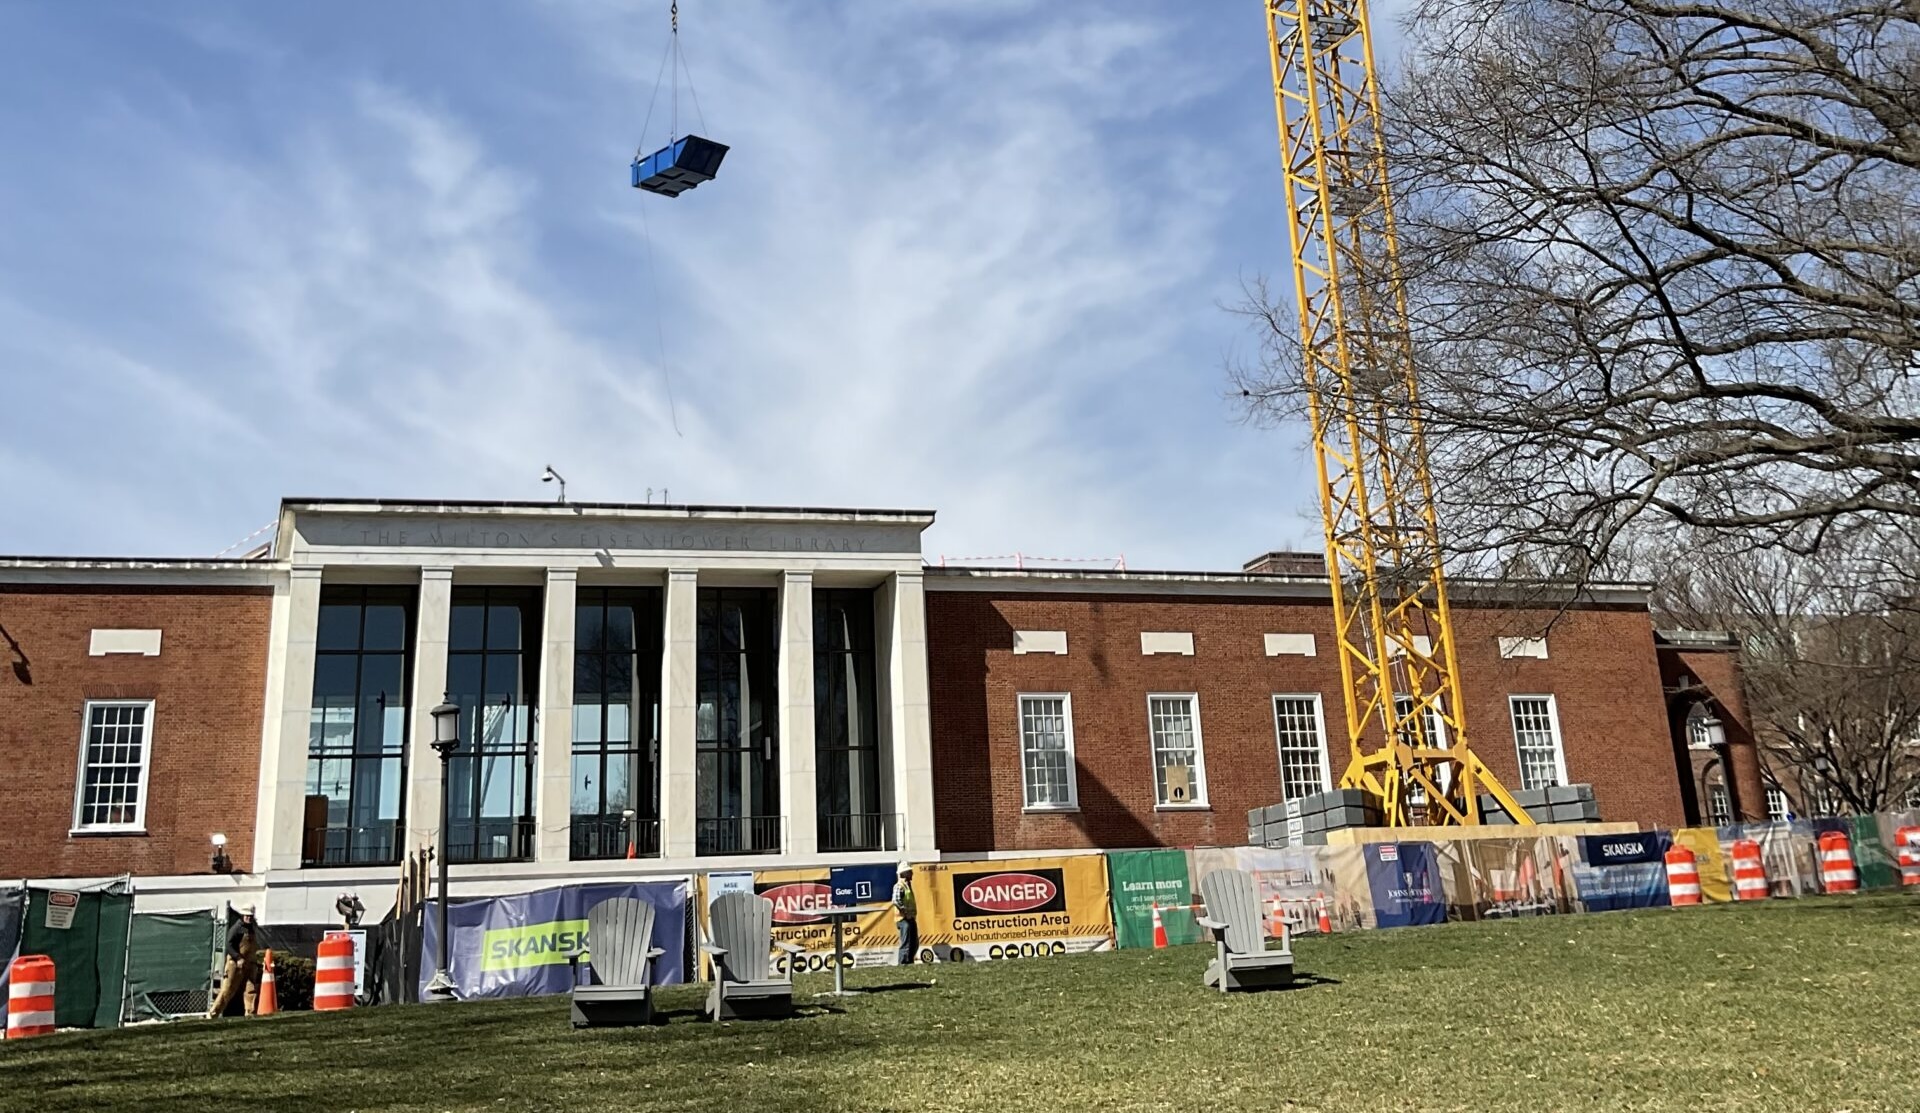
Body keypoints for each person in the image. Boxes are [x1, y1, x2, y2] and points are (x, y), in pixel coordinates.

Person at [207, 904, 264, 1018]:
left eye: (250, 916)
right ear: (242, 915)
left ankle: (250, 1013)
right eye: (246, 915)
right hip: (235, 964)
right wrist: (238, 958)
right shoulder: (236, 928)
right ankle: (213, 1013)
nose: (248, 918)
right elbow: (228, 945)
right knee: (228, 989)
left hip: (249, 963)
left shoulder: (252, 928)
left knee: (251, 989)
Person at [892, 864, 919, 966]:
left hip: (910, 918)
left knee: (913, 941)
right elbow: (896, 900)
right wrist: (905, 912)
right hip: (902, 919)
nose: (912, 874)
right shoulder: (899, 886)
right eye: (910, 872)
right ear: (904, 874)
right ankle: (903, 962)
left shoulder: (907, 885)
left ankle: (910, 961)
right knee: (906, 941)